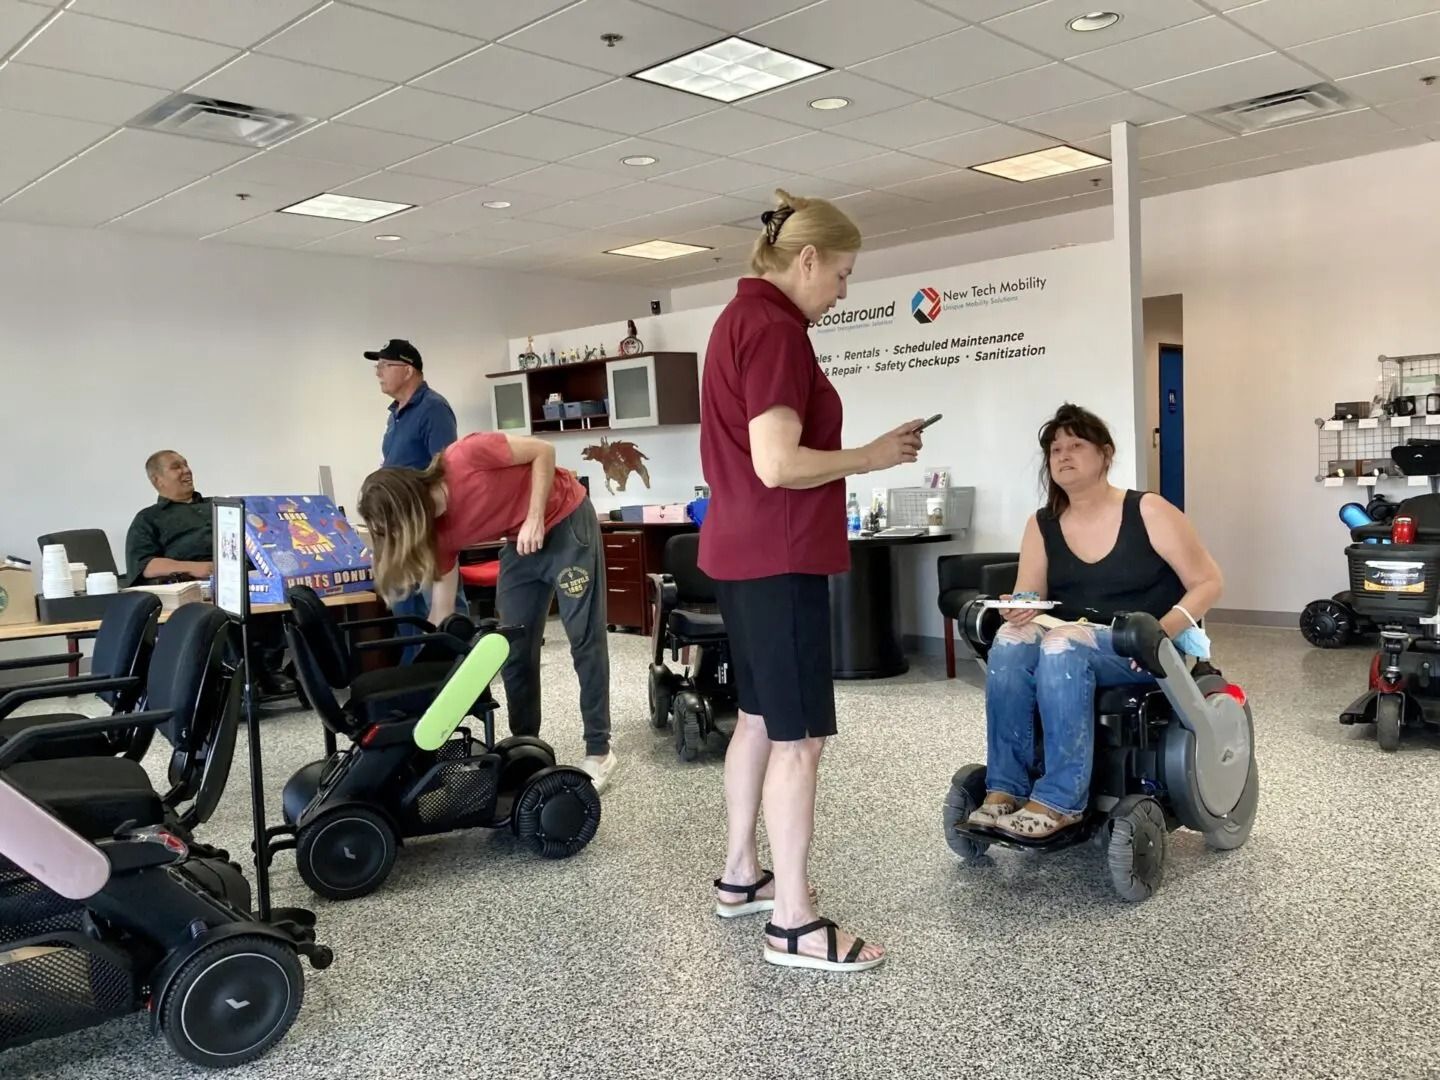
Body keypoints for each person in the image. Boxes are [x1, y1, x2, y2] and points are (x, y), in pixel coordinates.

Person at [699, 189, 924, 973]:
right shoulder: (776, 331)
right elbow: (778, 463)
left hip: (740, 552)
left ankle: (741, 876)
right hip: (779, 554)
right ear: (806, 260)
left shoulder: (736, 320)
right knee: (800, 740)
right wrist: (870, 456)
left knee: (759, 720)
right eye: (843, 275)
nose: (842, 292)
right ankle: (793, 922)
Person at [970, 403, 1224, 840]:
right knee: (1012, 639)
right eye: (1055, 449)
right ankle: (1005, 789)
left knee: (1062, 642)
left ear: (1105, 454)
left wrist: (1160, 633)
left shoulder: (1148, 510)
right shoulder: (1043, 523)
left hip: (1142, 642)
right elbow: (1030, 592)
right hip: (1069, 642)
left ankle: (1060, 801)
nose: (1063, 455)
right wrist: (1018, 607)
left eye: (1076, 445)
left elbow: (1208, 581)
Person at [356, 433, 617, 791]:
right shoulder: (438, 537)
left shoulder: (466, 457)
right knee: (511, 649)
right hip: (520, 544)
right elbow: (442, 613)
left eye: (394, 530)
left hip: (565, 520)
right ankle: (526, 748)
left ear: (407, 508)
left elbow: (543, 451)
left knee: (584, 639)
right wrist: (420, 693)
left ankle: (599, 750)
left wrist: (535, 517)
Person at [124, 450, 295, 697]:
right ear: (157, 480)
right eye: (176, 467)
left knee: (284, 595)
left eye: (186, 464)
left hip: (245, 576)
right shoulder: (148, 519)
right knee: (220, 609)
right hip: (198, 583)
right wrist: (195, 568)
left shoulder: (221, 505)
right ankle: (240, 677)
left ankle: (270, 669)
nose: (186, 470)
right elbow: (146, 565)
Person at [366, 337, 460, 651]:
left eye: (384, 365)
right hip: (397, 527)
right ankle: (413, 683)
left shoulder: (433, 408)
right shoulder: (395, 413)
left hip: (425, 526)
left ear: (407, 370)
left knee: (440, 609)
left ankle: (456, 670)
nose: (378, 372)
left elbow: (446, 470)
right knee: (405, 616)